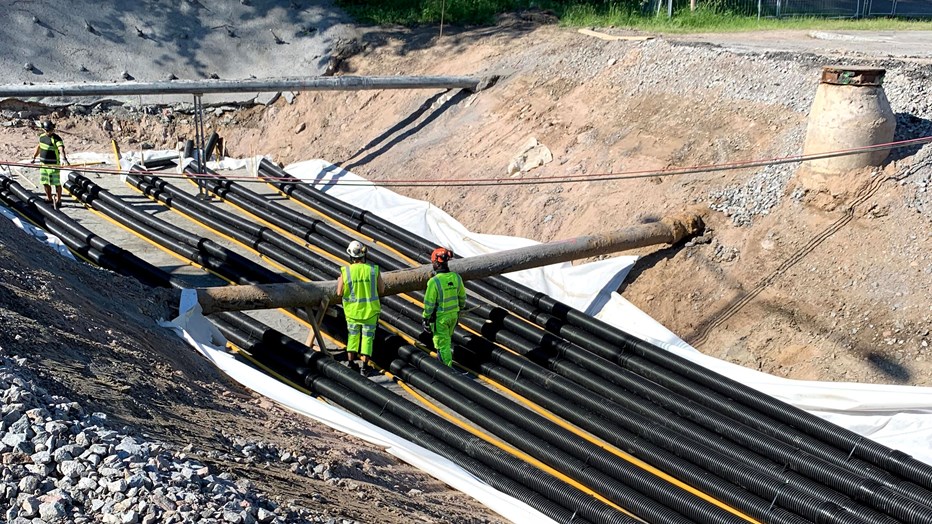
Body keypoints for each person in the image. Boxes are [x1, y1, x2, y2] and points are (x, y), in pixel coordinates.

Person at [335, 240, 384, 376]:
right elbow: (382, 289)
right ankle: (365, 366)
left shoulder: (346, 272)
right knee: (367, 338)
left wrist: (340, 280)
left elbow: (339, 292)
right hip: (370, 311)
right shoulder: (374, 270)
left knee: (352, 337)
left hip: (352, 312)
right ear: (364, 255)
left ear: (351, 256)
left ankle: (351, 364)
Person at [422, 247, 466, 368]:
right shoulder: (456, 277)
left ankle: (447, 370)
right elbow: (462, 297)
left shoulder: (434, 282)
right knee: (447, 341)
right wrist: (460, 309)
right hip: (453, 316)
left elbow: (429, 304)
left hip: (441, 319)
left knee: (442, 345)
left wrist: (426, 318)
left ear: (436, 262)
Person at [31, 121, 69, 209]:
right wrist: (34, 157)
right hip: (43, 165)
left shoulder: (56, 139)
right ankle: (49, 198)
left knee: (56, 183)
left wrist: (64, 158)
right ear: (44, 130)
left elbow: (61, 149)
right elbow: (39, 147)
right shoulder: (42, 137)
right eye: (47, 130)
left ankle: (58, 200)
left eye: (51, 130)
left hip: (53, 165)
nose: (49, 132)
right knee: (45, 182)